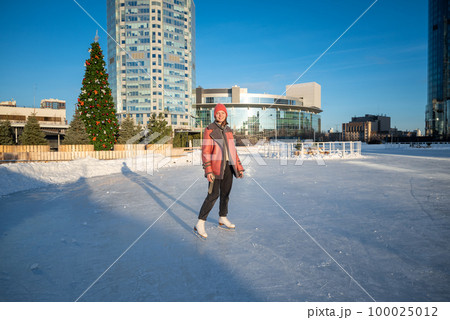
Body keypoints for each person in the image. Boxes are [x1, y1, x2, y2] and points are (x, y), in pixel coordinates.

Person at [194, 103, 244, 239]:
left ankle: (222, 217)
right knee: (213, 195)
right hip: (215, 168)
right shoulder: (209, 129)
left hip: (228, 167)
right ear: (214, 115)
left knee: (225, 194)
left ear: (226, 115)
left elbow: (233, 151)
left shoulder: (228, 130)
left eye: (222, 113)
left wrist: (239, 168)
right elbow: (205, 152)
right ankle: (200, 222)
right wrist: (208, 170)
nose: (220, 115)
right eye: (217, 113)